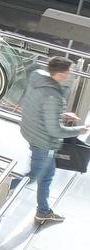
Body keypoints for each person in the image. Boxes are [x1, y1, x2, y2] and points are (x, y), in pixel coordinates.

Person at [17, 56, 90, 224]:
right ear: (62, 74)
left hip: (31, 131)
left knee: (47, 174)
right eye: (69, 71)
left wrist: (62, 114)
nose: (70, 74)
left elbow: (38, 107)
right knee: (34, 176)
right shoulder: (54, 96)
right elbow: (55, 130)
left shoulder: (37, 77)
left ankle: (43, 211)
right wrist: (79, 129)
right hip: (43, 141)